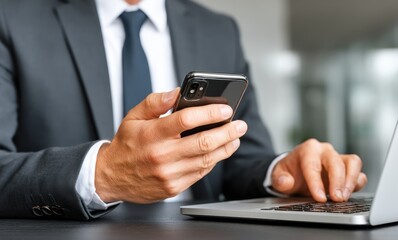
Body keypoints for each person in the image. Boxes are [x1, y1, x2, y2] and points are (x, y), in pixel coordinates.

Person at [0, 0, 367, 220]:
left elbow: (243, 158)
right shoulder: (12, 18)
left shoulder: (218, 29)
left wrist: (283, 171)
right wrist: (105, 175)